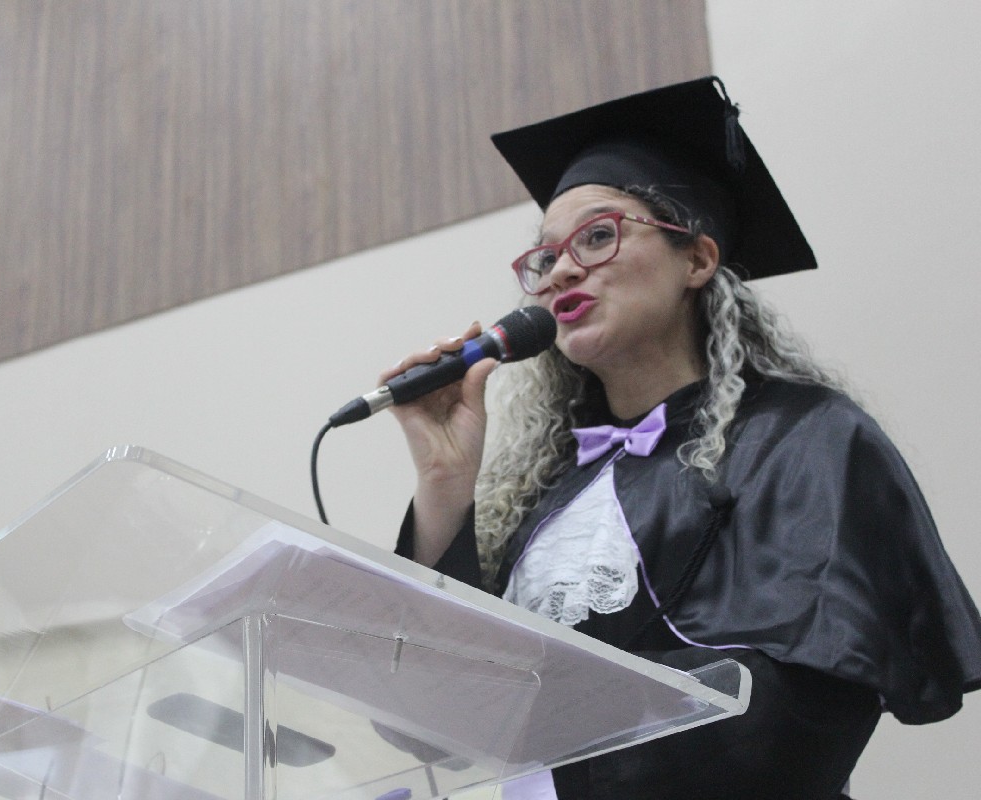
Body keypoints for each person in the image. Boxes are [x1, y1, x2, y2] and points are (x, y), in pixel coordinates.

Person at [386, 77, 981, 799]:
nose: (562, 269)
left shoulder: (805, 440)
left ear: (696, 260)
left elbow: (791, 718)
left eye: (598, 236)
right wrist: (445, 487)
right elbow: (429, 725)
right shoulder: (551, 493)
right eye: (544, 258)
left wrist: (551, 768)